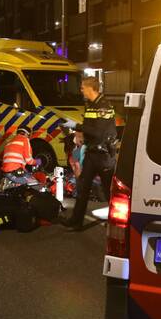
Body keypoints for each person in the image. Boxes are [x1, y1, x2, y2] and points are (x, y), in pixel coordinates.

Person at [63, 77, 116, 230]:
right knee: (82, 188)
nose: (80, 90)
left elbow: (98, 133)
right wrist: (78, 135)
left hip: (103, 156)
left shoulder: (103, 106)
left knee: (109, 192)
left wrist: (77, 126)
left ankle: (115, 223)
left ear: (90, 88)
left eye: (82, 88)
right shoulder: (91, 105)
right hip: (92, 153)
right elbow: (90, 128)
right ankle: (76, 221)